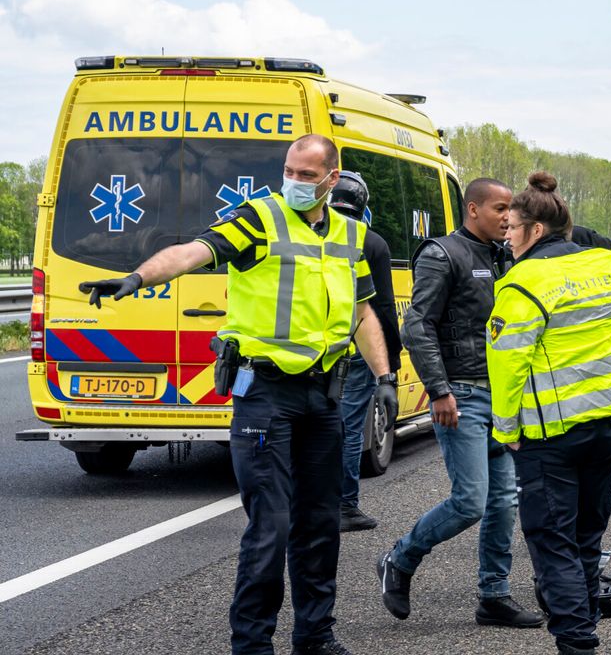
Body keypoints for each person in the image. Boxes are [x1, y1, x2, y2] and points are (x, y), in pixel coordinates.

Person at [79, 134, 397, 655]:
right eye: (289, 171)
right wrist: (136, 278)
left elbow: (362, 313)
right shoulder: (258, 218)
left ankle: (315, 636)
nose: (293, 181)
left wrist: (384, 379)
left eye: (306, 175)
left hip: (322, 399)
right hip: (265, 395)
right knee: (270, 528)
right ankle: (252, 645)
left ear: (332, 179)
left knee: (321, 526)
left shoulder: (350, 236)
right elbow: (193, 251)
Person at [487, 171, 611, 655]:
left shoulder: (521, 284)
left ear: (534, 230)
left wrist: (506, 429)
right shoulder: (606, 264)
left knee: (552, 544)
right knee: (585, 537)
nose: (507, 236)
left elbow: (507, 362)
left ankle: (578, 643)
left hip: (547, 438)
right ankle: (584, 619)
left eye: (512, 227)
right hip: (602, 431)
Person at [376, 177, 544, 628]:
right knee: (471, 500)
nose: (508, 217)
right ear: (473, 209)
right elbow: (418, 326)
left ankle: (494, 595)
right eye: (500, 209)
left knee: (504, 501)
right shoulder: (442, 254)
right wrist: (439, 390)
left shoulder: (506, 257)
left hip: (504, 397)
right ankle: (400, 558)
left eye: (511, 210)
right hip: (462, 395)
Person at [328, 171, 401, 533]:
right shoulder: (370, 242)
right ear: (363, 206)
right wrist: (390, 366)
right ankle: (344, 505)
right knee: (349, 426)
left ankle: (306, 501)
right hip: (356, 348)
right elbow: (383, 308)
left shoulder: (309, 235)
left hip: (314, 347)